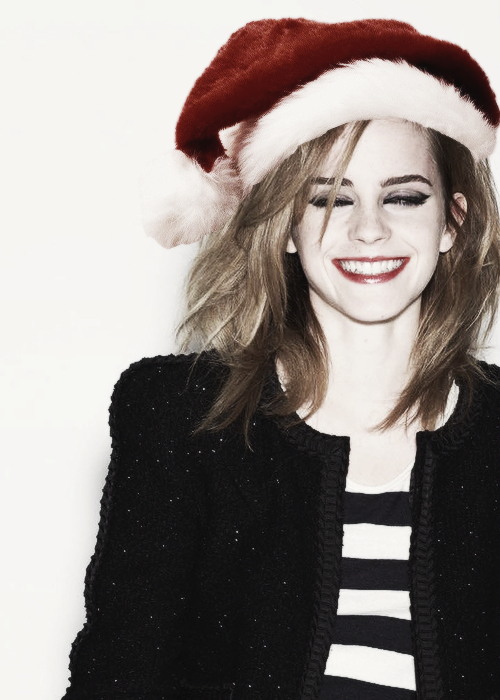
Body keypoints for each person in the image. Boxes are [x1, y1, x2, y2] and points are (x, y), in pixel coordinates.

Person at [61, 18, 500, 700]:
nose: (369, 228)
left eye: (404, 196)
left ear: (453, 221)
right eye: (329, 199)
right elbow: (118, 676)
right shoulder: (178, 415)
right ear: (287, 226)